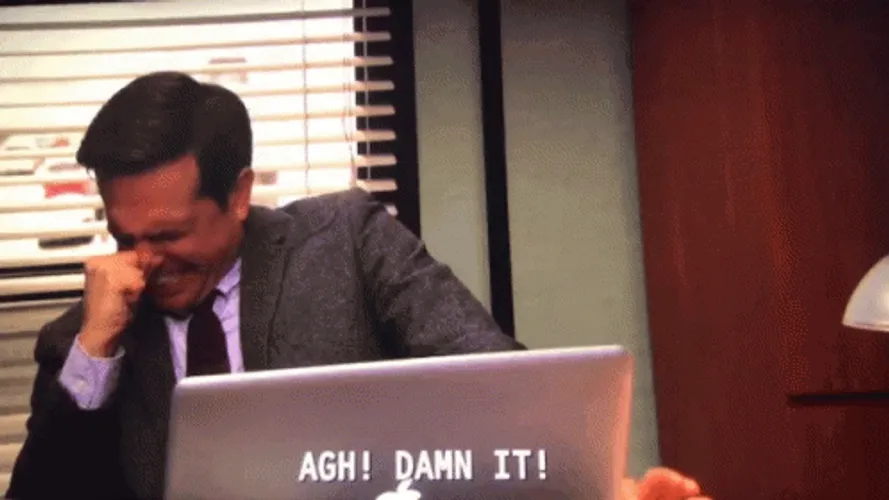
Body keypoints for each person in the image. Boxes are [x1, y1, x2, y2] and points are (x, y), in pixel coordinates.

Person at [5, 71, 708, 500]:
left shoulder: (346, 241)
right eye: (125, 234)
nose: (144, 259)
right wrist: (96, 351)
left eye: (170, 234)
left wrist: (593, 489)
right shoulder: (86, 340)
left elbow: (493, 381)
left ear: (239, 195)